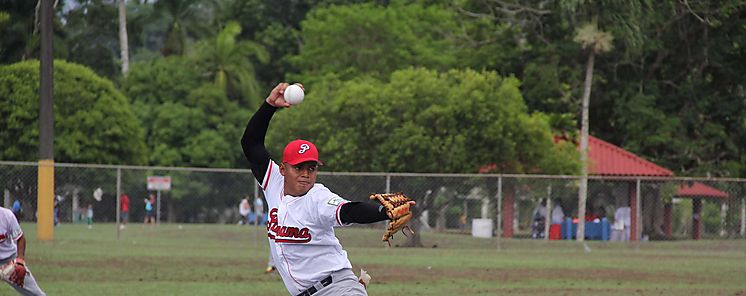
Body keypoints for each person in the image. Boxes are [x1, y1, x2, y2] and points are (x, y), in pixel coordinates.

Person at [241, 83, 403, 296]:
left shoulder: (318, 198)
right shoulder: (273, 182)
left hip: (338, 288)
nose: (305, 173)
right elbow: (251, 144)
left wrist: (383, 212)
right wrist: (269, 105)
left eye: (311, 167)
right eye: (298, 167)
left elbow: (349, 211)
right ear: (283, 169)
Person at [0, 206, 46, 295]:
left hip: (10, 260)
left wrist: (20, 261)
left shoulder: (6, 215)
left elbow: (20, 238)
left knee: (36, 294)